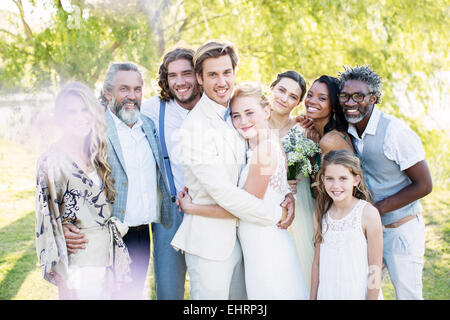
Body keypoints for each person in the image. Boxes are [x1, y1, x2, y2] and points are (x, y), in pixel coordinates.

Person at [170, 40, 296, 300]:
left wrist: (284, 192)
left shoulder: (235, 114)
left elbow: (260, 167)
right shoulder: (194, 128)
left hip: (244, 242)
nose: (221, 82)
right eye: (213, 74)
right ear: (199, 78)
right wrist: (275, 211)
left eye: (227, 73)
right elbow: (224, 193)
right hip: (210, 245)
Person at [62, 62, 174, 299]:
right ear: (108, 93)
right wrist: (62, 222)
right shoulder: (93, 129)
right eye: (124, 89)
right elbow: (65, 179)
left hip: (141, 235)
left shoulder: (149, 126)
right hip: (103, 235)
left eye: (137, 89)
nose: (131, 96)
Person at [338, 65, 433, 299]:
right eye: (345, 96)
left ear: (374, 98)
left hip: (400, 231)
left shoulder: (395, 132)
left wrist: (375, 210)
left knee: (408, 294)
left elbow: (424, 184)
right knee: (363, 290)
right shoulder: (346, 129)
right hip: (368, 234)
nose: (351, 102)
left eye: (359, 96)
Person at [35, 82, 131, 299]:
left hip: (107, 259)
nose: (80, 117)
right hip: (78, 264)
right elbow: (45, 219)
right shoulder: (51, 161)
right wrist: (61, 233)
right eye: (72, 112)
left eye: (84, 109)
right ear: (60, 118)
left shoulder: (98, 153)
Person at [141, 48, 201, 299]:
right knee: (167, 289)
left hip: (209, 210)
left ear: (198, 75)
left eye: (186, 73)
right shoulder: (153, 109)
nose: (180, 82)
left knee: (209, 287)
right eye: (172, 75)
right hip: (169, 211)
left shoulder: (218, 106)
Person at [310, 150, 383, 300]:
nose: (336, 185)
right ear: (322, 179)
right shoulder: (320, 214)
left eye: (343, 178)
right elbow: (317, 263)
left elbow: (375, 268)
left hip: (357, 293)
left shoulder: (368, 214)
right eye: (330, 178)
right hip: (328, 293)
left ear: (356, 180)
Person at [267, 70, 316, 290]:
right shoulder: (252, 123)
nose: (284, 99)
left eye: (293, 96)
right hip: (266, 206)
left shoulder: (303, 129)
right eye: (281, 90)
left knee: (301, 264)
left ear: (298, 103)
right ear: (272, 88)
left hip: (299, 208)